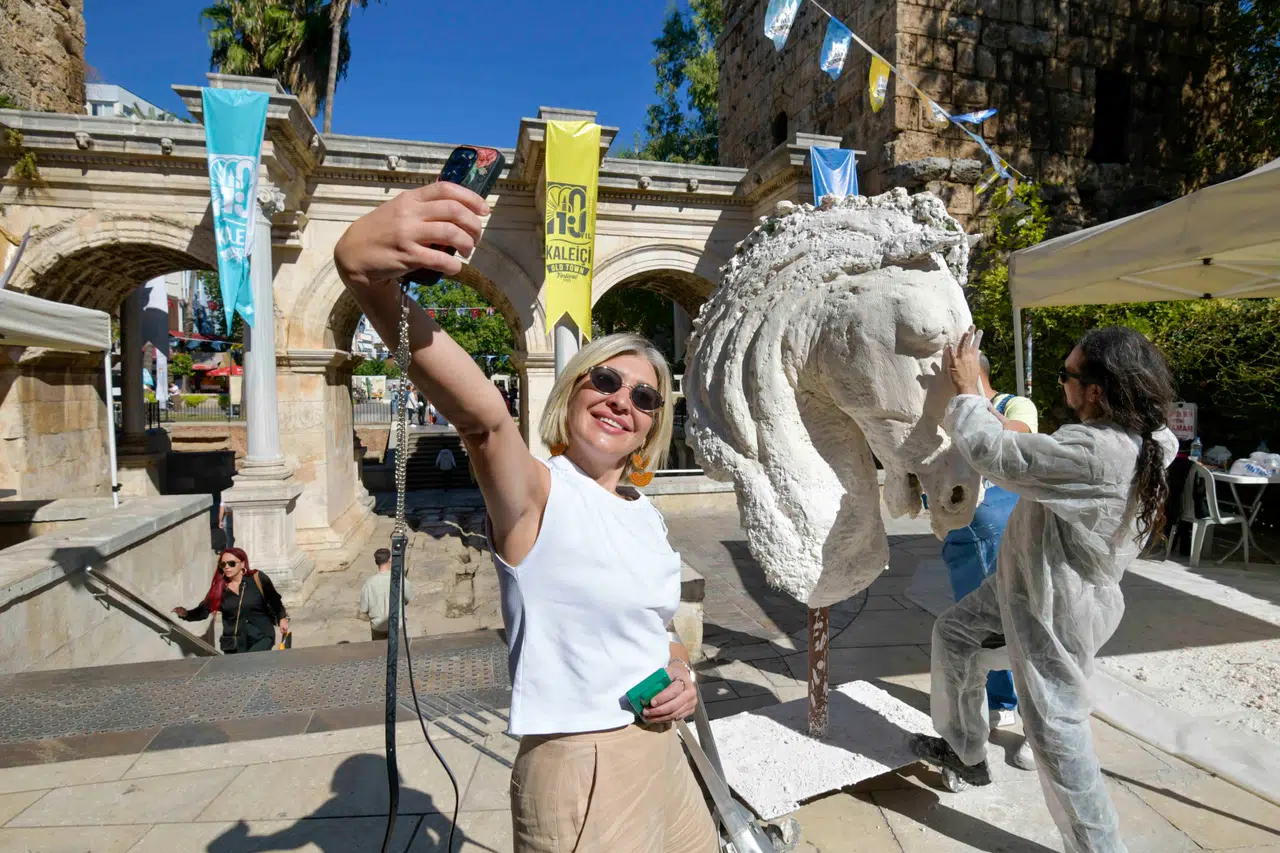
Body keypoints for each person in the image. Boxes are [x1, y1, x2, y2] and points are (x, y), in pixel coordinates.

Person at [335, 180, 715, 853]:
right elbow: (482, 418)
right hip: (583, 766)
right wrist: (365, 270)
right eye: (604, 379)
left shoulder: (643, 514)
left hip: (668, 754)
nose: (621, 398)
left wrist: (680, 674)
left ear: (653, 426)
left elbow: (659, 629)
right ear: (572, 393)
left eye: (645, 395)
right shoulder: (537, 491)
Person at [916, 326, 1178, 853]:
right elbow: (1017, 447)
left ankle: (1099, 848)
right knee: (955, 634)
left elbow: (1003, 458)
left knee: (1056, 729)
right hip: (1022, 580)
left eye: (1067, 376)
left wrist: (969, 392)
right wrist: (982, 402)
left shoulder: (1101, 450)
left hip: (1056, 600)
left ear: (1096, 390)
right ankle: (966, 753)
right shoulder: (1144, 436)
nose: (1062, 386)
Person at [939, 354, 1037, 769]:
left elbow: (1012, 437)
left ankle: (1038, 726)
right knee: (976, 633)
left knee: (1024, 627)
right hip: (962, 536)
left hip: (1007, 535)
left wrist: (970, 398)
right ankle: (998, 701)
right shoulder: (945, 411)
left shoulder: (1017, 403)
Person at [174, 547, 289, 653]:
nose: (227, 567)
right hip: (233, 643)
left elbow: (274, 599)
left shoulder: (257, 578)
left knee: (252, 665)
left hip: (261, 636)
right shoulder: (219, 588)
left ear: (242, 564)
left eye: (232, 563)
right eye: (223, 564)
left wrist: (282, 618)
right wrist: (186, 614)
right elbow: (203, 611)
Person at [358, 547, 414, 641]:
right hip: (396, 624)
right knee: (398, 653)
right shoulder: (399, 579)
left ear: (376, 562)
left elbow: (364, 608)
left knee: (380, 654)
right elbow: (408, 597)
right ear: (390, 559)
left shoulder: (369, 583)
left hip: (378, 627)